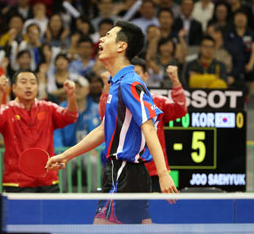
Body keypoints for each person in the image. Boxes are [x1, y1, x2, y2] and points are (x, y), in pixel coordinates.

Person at [47, 20, 177, 224]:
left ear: (121, 46)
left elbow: (148, 126)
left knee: (101, 228)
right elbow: (103, 130)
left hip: (124, 170)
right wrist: (66, 155)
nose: (101, 39)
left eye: (107, 35)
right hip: (127, 172)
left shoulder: (129, 83)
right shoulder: (117, 83)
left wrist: (163, 173)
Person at [99, 59, 187, 192]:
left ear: (146, 76)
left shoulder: (158, 101)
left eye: (137, 73)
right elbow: (105, 120)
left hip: (155, 170)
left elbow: (180, 110)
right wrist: (107, 88)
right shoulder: (119, 98)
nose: (132, 77)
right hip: (126, 169)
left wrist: (175, 81)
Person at [0, 70, 78, 193]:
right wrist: (0, 92)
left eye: (33, 82)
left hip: (48, 179)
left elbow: (71, 116)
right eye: (23, 82)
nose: (29, 86)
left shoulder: (48, 107)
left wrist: (71, 96)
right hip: (16, 181)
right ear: (14, 88)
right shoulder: (7, 110)